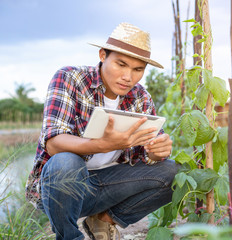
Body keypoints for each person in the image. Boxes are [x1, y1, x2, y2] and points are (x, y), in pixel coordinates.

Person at [25, 23, 178, 240]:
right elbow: (53, 142)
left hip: (110, 186)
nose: (128, 77)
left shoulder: (140, 97)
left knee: (174, 173)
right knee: (65, 162)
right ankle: (69, 236)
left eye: (138, 69)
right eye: (121, 64)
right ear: (102, 55)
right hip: (61, 188)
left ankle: (104, 220)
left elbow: (145, 155)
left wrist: (156, 151)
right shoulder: (70, 79)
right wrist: (105, 144)